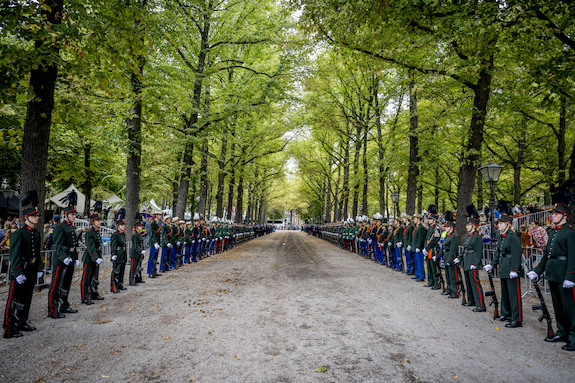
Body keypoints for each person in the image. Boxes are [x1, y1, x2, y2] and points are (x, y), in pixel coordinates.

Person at [528, 202, 575, 351]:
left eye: (556, 214)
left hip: (564, 275)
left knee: (570, 308)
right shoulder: (553, 232)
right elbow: (547, 256)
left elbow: (573, 257)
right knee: (558, 306)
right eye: (552, 214)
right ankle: (562, 332)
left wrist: (570, 276)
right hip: (553, 274)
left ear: (564, 216)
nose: (553, 216)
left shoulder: (570, 232)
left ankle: (573, 337)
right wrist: (537, 270)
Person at [3, 199, 42, 338]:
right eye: (34, 216)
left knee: (27, 297)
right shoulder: (19, 234)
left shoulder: (36, 233)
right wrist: (18, 272)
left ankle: (22, 321)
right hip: (20, 271)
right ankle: (9, 325)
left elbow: (37, 253)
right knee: (14, 299)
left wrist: (39, 268)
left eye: (37, 216)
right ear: (26, 218)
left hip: (30, 270)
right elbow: (15, 256)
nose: (36, 217)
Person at [484, 203, 523, 328]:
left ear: (508, 224)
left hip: (511, 266)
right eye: (498, 223)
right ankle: (506, 313)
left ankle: (516, 319)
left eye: (501, 223)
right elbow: (498, 253)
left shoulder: (513, 237)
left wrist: (515, 269)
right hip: (503, 266)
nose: (498, 225)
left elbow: (517, 254)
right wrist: (492, 264)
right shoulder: (501, 236)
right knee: (505, 292)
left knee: (514, 294)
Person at [49, 203, 80, 319]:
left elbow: (72, 245)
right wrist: (63, 257)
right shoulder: (60, 227)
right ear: (66, 215)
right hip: (60, 260)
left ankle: (64, 305)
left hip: (69, 258)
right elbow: (58, 245)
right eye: (72, 214)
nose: (74, 216)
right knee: (56, 285)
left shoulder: (70, 227)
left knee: (66, 283)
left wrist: (75, 258)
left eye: (74, 214)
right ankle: (52, 310)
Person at [462, 206, 486, 312]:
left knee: (475, 283)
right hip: (467, 260)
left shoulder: (476, 236)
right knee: (468, 282)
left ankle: (480, 304)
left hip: (472, 261)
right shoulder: (469, 235)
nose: (466, 226)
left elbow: (478, 251)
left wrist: (475, 263)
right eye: (467, 225)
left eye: (468, 225)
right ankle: (471, 300)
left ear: (473, 226)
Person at [442, 212, 461, 299]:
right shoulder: (447, 236)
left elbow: (453, 249)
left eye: (447, 227)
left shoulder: (454, 237)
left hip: (451, 257)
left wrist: (450, 259)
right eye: (445, 227)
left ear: (451, 228)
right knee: (448, 275)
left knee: (453, 276)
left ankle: (455, 291)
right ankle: (449, 289)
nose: (445, 228)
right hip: (446, 255)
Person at [423, 205, 441, 288]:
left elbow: (435, 240)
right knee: (429, 266)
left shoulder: (436, 228)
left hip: (433, 249)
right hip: (428, 248)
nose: (428, 220)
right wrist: (425, 248)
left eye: (430, 219)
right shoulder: (430, 228)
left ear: (434, 220)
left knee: (434, 268)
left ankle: (437, 283)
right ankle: (431, 281)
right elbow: (427, 238)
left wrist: (427, 248)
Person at [110, 219, 127, 293]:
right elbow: (113, 245)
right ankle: (114, 286)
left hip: (122, 253)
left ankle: (120, 284)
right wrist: (113, 254)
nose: (123, 226)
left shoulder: (123, 234)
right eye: (121, 225)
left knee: (122, 270)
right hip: (117, 253)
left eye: (123, 225)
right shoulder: (115, 234)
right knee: (116, 270)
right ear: (118, 226)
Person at [410, 213, 427, 283]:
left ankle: (421, 276)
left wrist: (418, 247)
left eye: (415, 218)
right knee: (416, 262)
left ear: (419, 219)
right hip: (415, 247)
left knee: (420, 262)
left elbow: (421, 239)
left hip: (418, 248)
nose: (414, 220)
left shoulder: (421, 228)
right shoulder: (416, 227)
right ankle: (417, 274)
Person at [129, 222, 146, 286]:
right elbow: (135, 245)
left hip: (139, 253)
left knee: (138, 266)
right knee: (133, 267)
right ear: (136, 228)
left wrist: (142, 250)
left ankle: (138, 279)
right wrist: (140, 250)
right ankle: (131, 281)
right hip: (135, 253)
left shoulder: (139, 234)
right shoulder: (134, 235)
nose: (141, 227)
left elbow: (141, 244)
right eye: (140, 226)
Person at [147, 210, 162, 278]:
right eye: (159, 215)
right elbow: (152, 234)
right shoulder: (153, 223)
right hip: (153, 242)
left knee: (155, 257)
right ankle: (150, 272)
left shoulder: (158, 223)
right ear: (156, 215)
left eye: (161, 215)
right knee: (152, 258)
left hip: (157, 242)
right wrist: (155, 242)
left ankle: (154, 271)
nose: (160, 216)